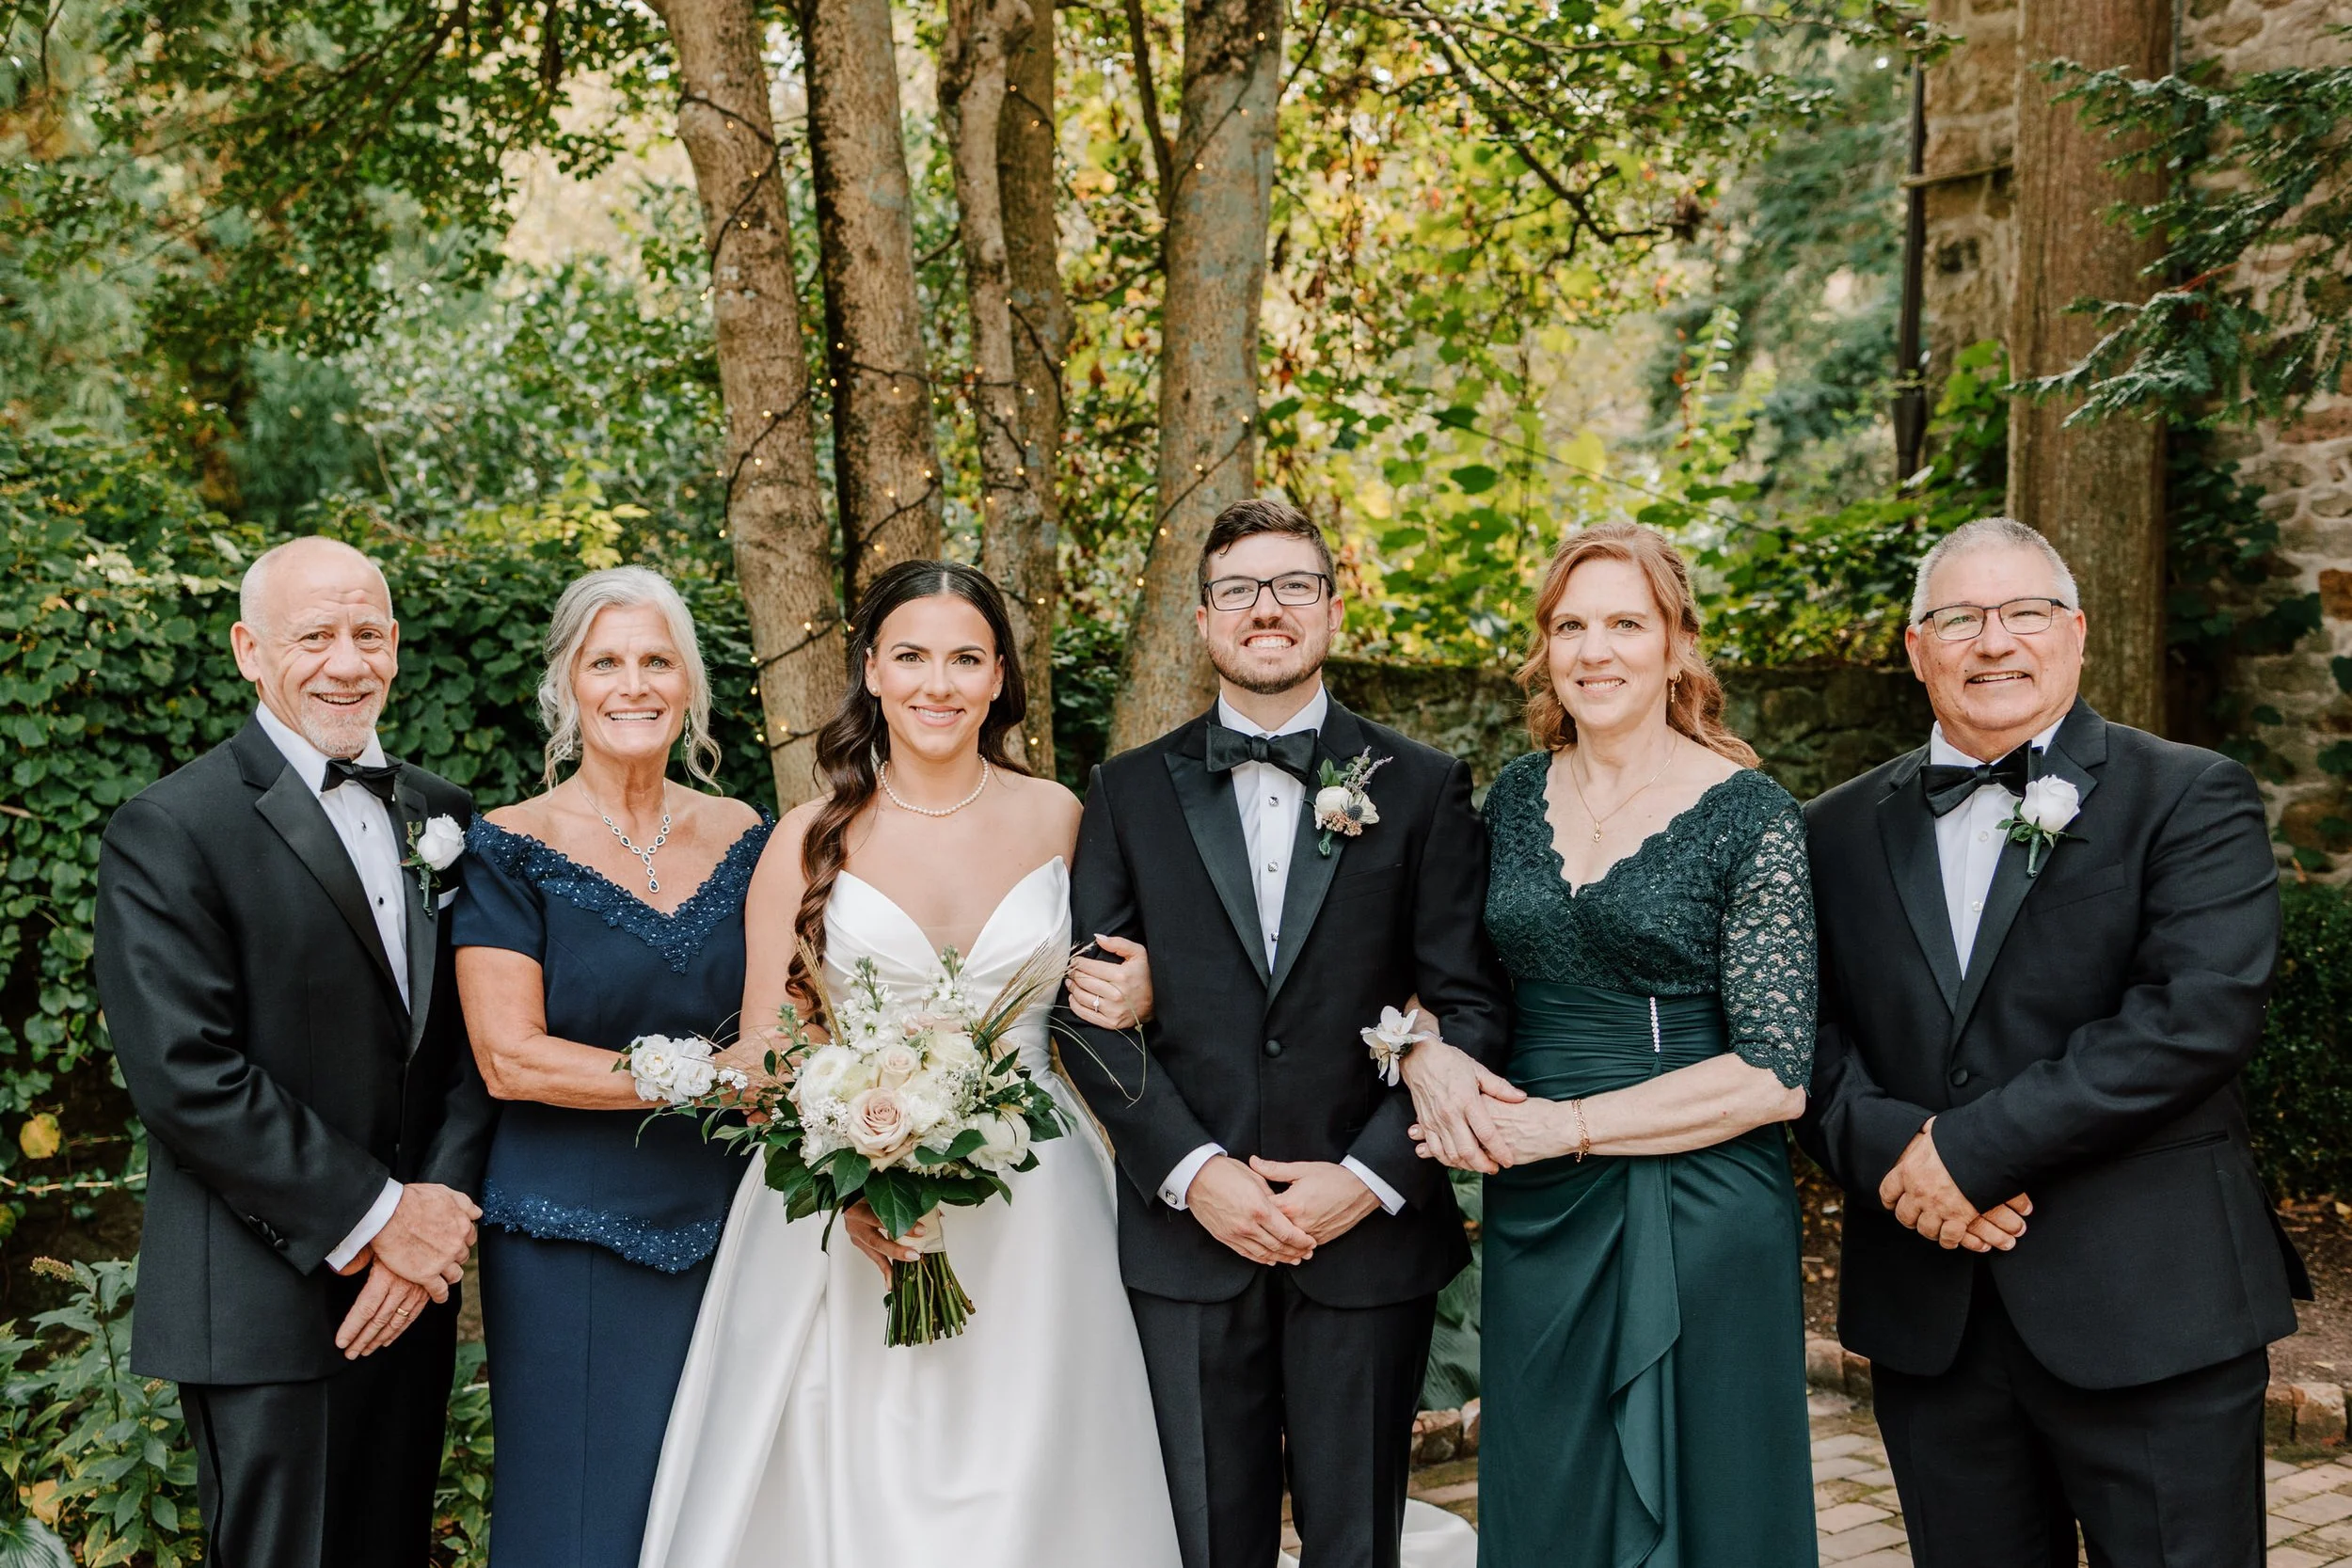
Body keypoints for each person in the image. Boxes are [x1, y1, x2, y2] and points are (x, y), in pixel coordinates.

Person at [1798, 516, 2307, 1568]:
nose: (1994, 642)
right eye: (1958, 617)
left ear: (2074, 632)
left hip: (2149, 1305)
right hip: (1931, 1315)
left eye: (2024, 611)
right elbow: (1797, 1034)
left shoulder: (2190, 795)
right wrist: (1897, 1149)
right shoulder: (1831, 829)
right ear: (1914, 647)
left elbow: (2192, 1017)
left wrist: (1964, 1153)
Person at [638, 560, 1168, 1568]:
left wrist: (1143, 990)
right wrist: (848, 1182)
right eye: (912, 655)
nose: (939, 683)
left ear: (1001, 677)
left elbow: (1114, 991)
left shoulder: (1062, 815)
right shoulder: (806, 837)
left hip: (1037, 1199)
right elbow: (769, 1043)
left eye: (966, 658)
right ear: (871, 669)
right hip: (846, 1215)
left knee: (1042, 1457)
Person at [1056, 499, 1512, 1568]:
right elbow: (1086, 1015)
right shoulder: (1124, 792)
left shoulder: (1425, 786)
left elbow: (1475, 1006)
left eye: (1293, 584)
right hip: (1188, 1240)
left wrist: (1365, 1175)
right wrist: (1195, 1170)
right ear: (1204, 620)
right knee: (1210, 1540)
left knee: (1357, 1542)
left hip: (1367, 1238)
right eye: (1241, 590)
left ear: (1332, 607)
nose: (1268, 608)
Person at [93, 536, 493, 1568]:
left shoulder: (445, 816)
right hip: (261, 1299)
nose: (346, 661)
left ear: (396, 646)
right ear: (249, 650)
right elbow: (188, 1075)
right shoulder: (171, 828)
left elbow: (464, 1047)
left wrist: (433, 1224)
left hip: (408, 1296)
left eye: (368, 633)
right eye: (314, 635)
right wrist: (381, 1217)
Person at [1435, 521, 1817, 1567]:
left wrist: (1571, 1124)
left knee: (1712, 1487)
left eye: (1623, 623)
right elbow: (1443, 973)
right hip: (1539, 1204)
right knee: (1547, 1474)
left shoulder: (1752, 815)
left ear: (1677, 644)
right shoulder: (1513, 795)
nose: (1594, 650)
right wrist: (1424, 1052)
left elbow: (1776, 1073)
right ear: (1546, 649)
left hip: (1699, 1198)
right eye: (1570, 625)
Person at [451, 567, 770, 1567]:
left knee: (729, 1503)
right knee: (580, 1513)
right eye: (606, 662)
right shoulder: (510, 844)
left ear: (688, 683)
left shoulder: (746, 834)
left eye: (655, 660)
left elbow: (783, 1018)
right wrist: (707, 1079)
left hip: (736, 1229)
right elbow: (510, 1056)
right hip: (567, 1234)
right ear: (567, 686)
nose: (632, 684)